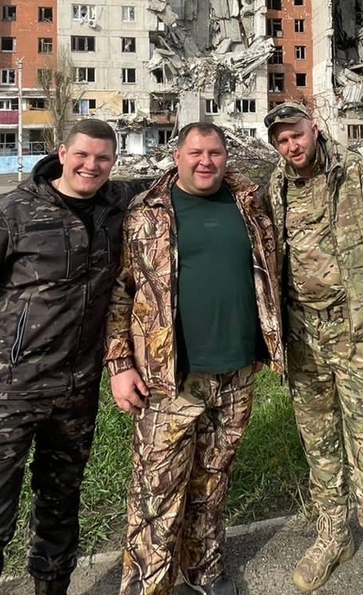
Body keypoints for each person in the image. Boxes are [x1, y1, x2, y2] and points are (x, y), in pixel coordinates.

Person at [0, 118, 151, 595]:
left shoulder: (117, 204)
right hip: (8, 394)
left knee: (60, 510)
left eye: (103, 158)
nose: (92, 166)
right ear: (61, 152)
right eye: (83, 155)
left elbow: (186, 173)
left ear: (114, 162)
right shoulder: (10, 212)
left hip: (76, 394)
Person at [106, 122, 284, 595]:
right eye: (195, 152)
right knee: (156, 496)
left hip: (236, 372)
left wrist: (268, 339)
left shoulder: (250, 205)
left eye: (215, 152)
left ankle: (204, 572)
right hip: (168, 378)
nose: (205, 161)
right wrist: (119, 363)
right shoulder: (146, 213)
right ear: (177, 156)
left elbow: (271, 273)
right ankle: (148, 587)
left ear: (227, 156)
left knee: (212, 484)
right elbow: (120, 295)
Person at [263, 102, 363, 595]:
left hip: (357, 334)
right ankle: (333, 534)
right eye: (282, 140)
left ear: (315, 129)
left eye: (297, 135)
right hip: (303, 336)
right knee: (320, 444)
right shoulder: (276, 185)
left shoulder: (354, 171)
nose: (292, 146)